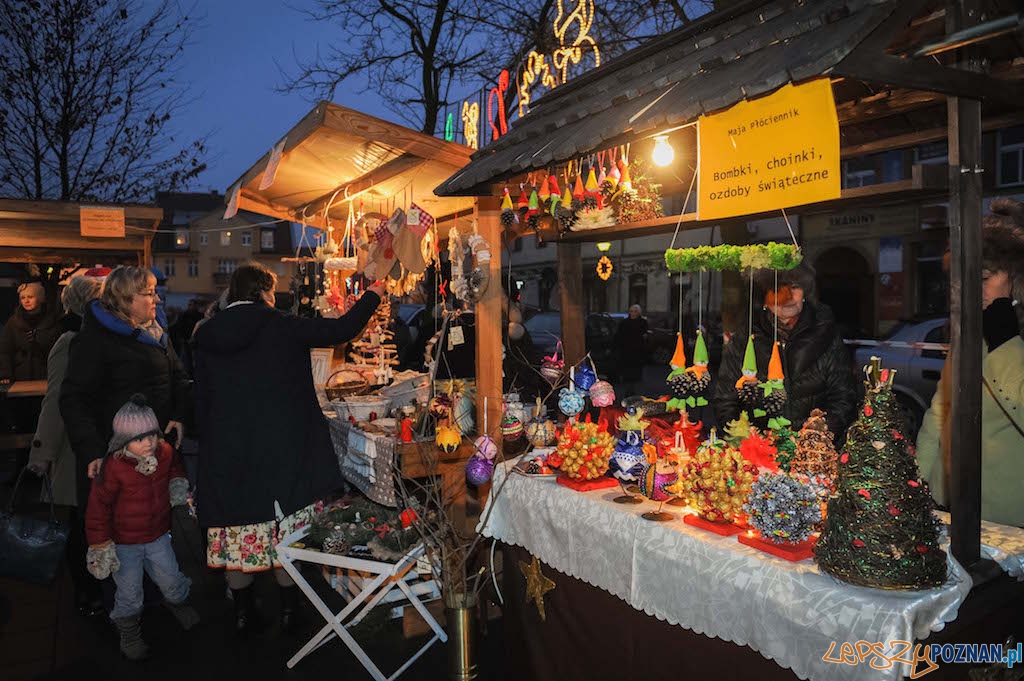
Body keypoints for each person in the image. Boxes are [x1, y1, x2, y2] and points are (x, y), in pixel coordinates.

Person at [193, 263, 384, 634]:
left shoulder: (208, 334)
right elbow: (341, 330)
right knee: (285, 535)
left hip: (229, 452)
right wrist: (373, 295)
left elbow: (201, 398)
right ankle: (290, 613)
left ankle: (243, 615)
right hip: (282, 449)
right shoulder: (280, 323)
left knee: (239, 533)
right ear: (265, 291)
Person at [917, 199, 1024, 528]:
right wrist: (921, 483)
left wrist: (1005, 341)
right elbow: (942, 409)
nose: (972, 291)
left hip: (1007, 518)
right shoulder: (971, 331)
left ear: (1017, 278)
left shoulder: (1006, 337)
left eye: (985, 278)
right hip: (955, 504)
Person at [85, 395, 199, 661]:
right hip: (124, 544)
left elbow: (175, 468)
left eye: (151, 435)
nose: (148, 443)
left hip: (158, 536)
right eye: (139, 439)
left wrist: (177, 483)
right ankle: (129, 632)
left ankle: (177, 603)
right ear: (122, 442)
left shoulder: (165, 452)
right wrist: (100, 545)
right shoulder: (113, 468)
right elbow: (97, 510)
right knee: (130, 593)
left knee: (172, 580)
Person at [60, 266, 191, 487]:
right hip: (114, 458)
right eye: (149, 293)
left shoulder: (156, 334)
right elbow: (74, 400)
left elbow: (179, 378)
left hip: (156, 453)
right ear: (125, 298)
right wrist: (92, 451)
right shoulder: (94, 340)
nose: (157, 299)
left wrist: (179, 415)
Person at [26, 275, 105, 615]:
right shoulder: (70, 341)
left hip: (92, 444)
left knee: (90, 519)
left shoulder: (92, 337)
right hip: (75, 448)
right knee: (80, 521)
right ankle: (87, 592)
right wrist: (42, 452)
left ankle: (94, 590)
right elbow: (55, 401)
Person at [714, 263, 858, 441]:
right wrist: (747, 441)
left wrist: (817, 437)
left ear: (805, 292)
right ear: (763, 297)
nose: (788, 297)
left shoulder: (826, 333)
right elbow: (726, 400)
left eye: (795, 287)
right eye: (777, 289)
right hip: (761, 449)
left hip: (813, 449)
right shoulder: (744, 339)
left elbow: (843, 397)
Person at [0, 280, 61, 383]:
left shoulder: (52, 321)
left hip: (46, 376)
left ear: (40, 298)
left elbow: (57, 351)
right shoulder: (13, 323)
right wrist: (5, 374)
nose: (26, 301)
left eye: (30, 297)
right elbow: (5, 350)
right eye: (23, 298)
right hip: (19, 376)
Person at [613, 304, 649, 397]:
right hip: (626, 352)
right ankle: (628, 391)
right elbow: (618, 336)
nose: (633, 313)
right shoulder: (624, 323)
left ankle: (635, 392)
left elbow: (645, 336)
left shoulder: (642, 322)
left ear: (639, 313)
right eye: (632, 311)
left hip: (637, 352)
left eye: (635, 311)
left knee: (636, 374)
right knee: (627, 374)